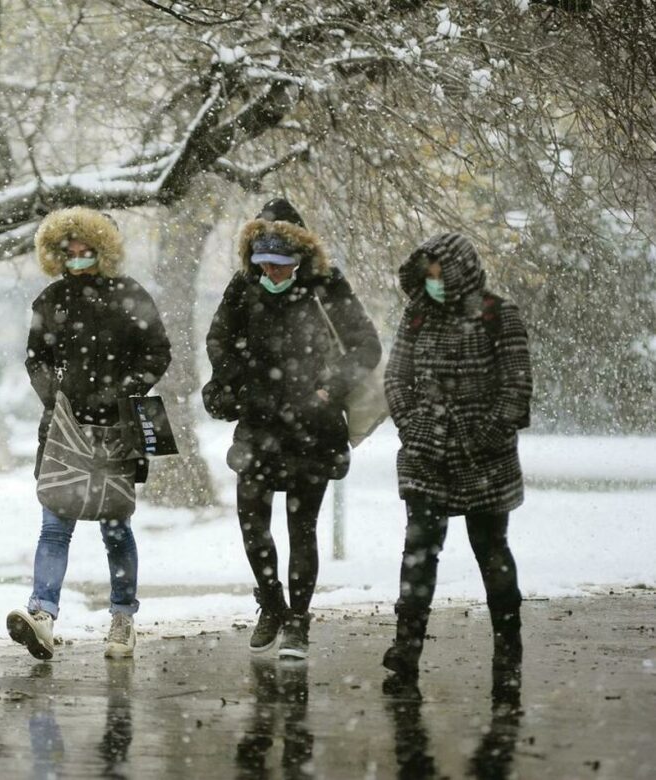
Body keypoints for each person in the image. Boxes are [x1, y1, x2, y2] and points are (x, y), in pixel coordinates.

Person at [203, 198, 381, 659]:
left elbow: (365, 345)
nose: (275, 274)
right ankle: (272, 603)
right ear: (253, 258)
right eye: (265, 264)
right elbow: (218, 338)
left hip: (312, 428)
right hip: (258, 425)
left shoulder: (326, 286)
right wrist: (235, 383)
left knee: (302, 528)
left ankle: (298, 624)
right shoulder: (243, 287)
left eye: (284, 265)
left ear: (302, 258)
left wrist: (328, 390)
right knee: (251, 523)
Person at [7, 206, 172, 661]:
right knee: (54, 523)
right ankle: (41, 613)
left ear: (104, 252)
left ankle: (122, 618)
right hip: (64, 428)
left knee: (115, 526)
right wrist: (55, 396)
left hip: (118, 428)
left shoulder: (131, 296)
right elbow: (35, 358)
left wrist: (127, 389)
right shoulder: (50, 301)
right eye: (70, 252)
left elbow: (158, 351)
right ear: (57, 255)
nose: (78, 259)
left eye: (86, 251)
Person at [381, 232, 533, 680]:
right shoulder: (417, 314)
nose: (433, 280)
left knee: (491, 549)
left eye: (438, 271)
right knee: (418, 551)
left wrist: (485, 433)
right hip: (426, 454)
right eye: (427, 273)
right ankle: (406, 650)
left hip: (484, 459)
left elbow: (517, 386)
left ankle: (508, 650)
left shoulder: (497, 313)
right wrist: (413, 425)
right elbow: (397, 377)